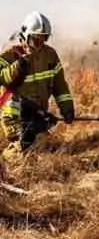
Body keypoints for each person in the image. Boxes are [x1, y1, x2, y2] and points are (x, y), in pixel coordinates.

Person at [0, 11, 74, 162]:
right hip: (15, 116)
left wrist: (67, 107)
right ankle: (6, 163)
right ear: (26, 35)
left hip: (37, 115)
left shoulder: (50, 56)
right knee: (27, 149)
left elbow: (59, 85)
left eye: (44, 38)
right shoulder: (11, 54)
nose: (40, 43)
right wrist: (16, 68)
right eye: (36, 39)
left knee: (45, 147)